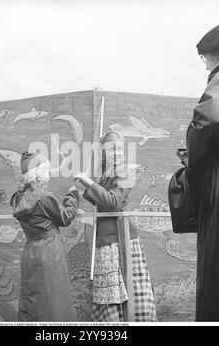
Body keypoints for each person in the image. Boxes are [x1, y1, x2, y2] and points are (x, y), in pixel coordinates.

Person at [74, 131, 156, 322]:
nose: (116, 152)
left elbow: (112, 202)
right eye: (111, 149)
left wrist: (89, 183)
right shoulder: (106, 173)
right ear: (104, 152)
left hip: (121, 238)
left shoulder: (125, 171)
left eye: (119, 148)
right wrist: (86, 187)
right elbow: (101, 200)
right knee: (112, 293)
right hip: (107, 239)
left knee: (128, 288)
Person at [182, 20, 219, 321]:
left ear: (215, 54)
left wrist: (192, 156)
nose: (205, 67)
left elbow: (210, 120)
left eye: (206, 59)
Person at [10, 150, 79, 321]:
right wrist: (73, 195)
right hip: (50, 250)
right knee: (54, 296)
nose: (48, 174)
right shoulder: (44, 197)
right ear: (39, 173)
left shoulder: (17, 198)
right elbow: (66, 217)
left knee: (34, 295)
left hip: (31, 250)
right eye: (46, 170)